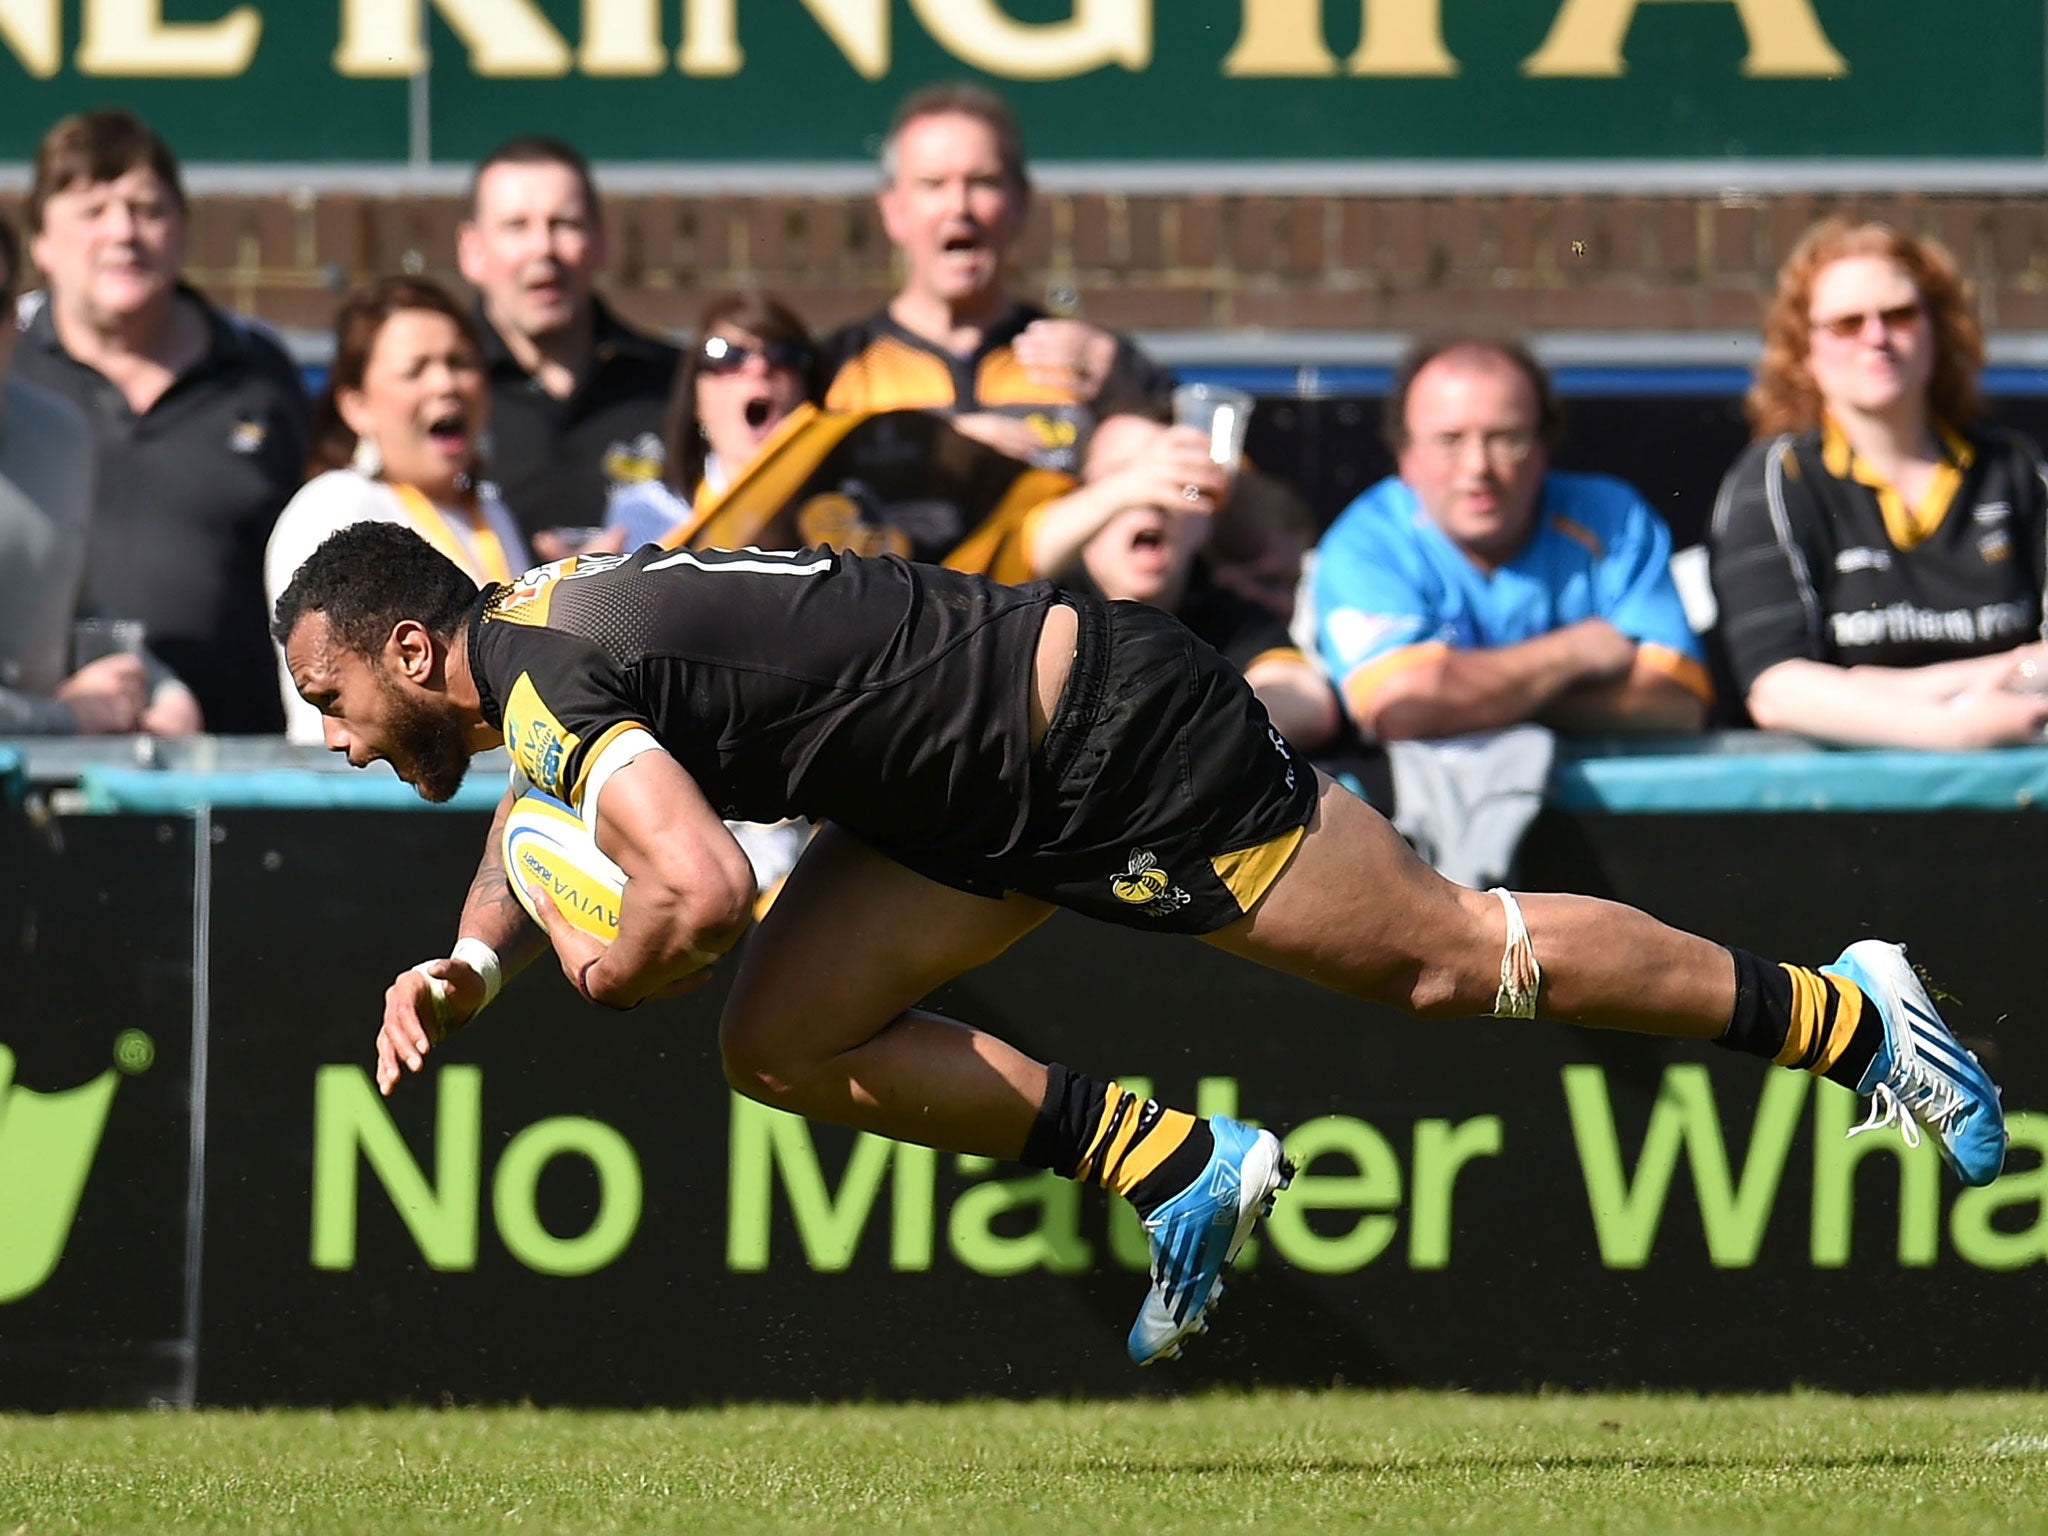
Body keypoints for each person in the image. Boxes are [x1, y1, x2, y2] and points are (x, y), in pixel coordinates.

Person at [275, 524, 2007, 1368]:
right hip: (971, 794)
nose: (336, 737)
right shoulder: (537, 623)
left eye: (331, 698)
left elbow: (698, 894)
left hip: (1104, 738)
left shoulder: (547, 674)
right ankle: (1182, 1167)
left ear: (412, 644)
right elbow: (541, 813)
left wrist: (607, 965)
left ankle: (1852, 1021)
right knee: (777, 1043)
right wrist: (479, 962)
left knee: (1442, 960)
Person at [13, 108, 306, 735]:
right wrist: (63, 715)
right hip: (46, 765)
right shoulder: (14, 374)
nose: (124, 232)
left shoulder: (260, 369)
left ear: (183, 230)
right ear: (40, 240)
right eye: (93, 211)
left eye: (148, 210)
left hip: (247, 761)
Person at [1708, 218, 2048, 747]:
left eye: (1900, 315)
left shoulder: (2016, 470)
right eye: (1846, 323)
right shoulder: (1777, 478)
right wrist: (1956, 721)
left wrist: (1879, 689)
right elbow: (1777, 690)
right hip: (1842, 815)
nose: (1877, 338)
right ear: (1803, 353)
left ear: (1939, 329)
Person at [1304, 336, 1711, 742]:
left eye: (1506, 439)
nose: (1478, 466)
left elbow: (1676, 703)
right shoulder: (1367, 543)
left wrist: (1469, 695)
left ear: (1542, 449)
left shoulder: (1613, 519)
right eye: (1449, 441)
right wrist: (1577, 650)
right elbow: (1403, 709)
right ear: (1405, 457)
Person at [819, 82, 1171, 474]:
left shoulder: (1091, 362)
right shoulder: (833, 368)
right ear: (893, 210)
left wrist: (1123, 397)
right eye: (933, 184)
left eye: (983, 182)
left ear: (1021, 204)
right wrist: (943, 443)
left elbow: (1211, 493)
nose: (959, 206)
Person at [264, 277, 529, 743]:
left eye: (460, 362)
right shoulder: (334, 509)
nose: (446, 384)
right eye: (415, 370)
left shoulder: (493, 512)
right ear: (357, 405)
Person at [0, 209, 197, 735]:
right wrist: (68, 718)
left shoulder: (57, 434)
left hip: (34, 802)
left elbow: (73, 611)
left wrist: (159, 692)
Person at [1061, 415, 1338, 752]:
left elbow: (1304, 703)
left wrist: (1188, 732)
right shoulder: (1039, 598)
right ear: (1076, 498)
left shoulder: (1222, 611)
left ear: (1205, 520)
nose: (1150, 496)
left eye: (1177, 478)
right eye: (1123, 474)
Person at [458, 135, 680, 555]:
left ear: (599, 243)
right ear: (472, 250)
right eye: (516, 226)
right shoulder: (439, 393)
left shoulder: (671, 385)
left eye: (565, 224)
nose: (543, 248)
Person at [604, 290, 819, 550]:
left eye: (785, 354)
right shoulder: (646, 513)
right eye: (727, 354)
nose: (760, 366)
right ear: (696, 402)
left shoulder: (847, 511)